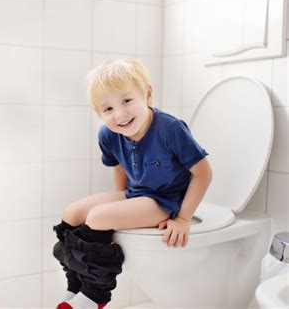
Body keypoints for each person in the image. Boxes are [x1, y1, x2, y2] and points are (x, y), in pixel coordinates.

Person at [52, 58, 213, 309]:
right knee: (72, 213)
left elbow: (203, 173)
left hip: (166, 200)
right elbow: (118, 167)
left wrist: (183, 219)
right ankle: (76, 283)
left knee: (98, 218)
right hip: (136, 193)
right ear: (99, 114)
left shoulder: (170, 129)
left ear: (147, 94)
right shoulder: (108, 134)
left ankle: (96, 294)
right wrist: (122, 205)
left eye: (126, 101)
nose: (120, 114)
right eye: (108, 109)